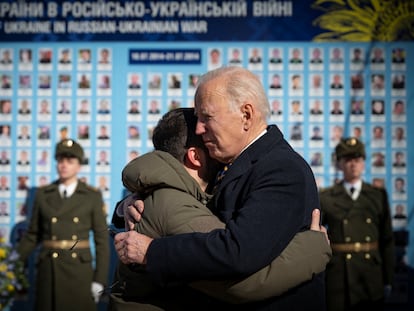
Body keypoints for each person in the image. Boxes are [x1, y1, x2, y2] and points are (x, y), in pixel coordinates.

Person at [114, 67, 328, 310]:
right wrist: (130, 204)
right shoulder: (234, 164)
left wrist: (152, 252)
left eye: (207, 117)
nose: (198, 129)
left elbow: (238, 253)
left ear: (246, 115)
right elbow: (190, 201)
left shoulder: (281, 169)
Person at [16, 139, 110, 311]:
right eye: (60, 160)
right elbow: (32, 235)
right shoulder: (43, 194)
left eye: (70, 161)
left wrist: (99, 280)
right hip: (48, 270)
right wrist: (11, 264)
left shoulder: (91, 196)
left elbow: (102, 240)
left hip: (79, 272)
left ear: (79, 166)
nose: (64, 165)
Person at [319, 137, 395, 311]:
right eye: (347, 160)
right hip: (339, 276)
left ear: (363, 163)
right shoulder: (326, 197)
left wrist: (388, 279)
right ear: (339, 164)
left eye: (357, 159)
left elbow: (387, 240)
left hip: (370, 275)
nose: (353, 164)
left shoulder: (377, 196)